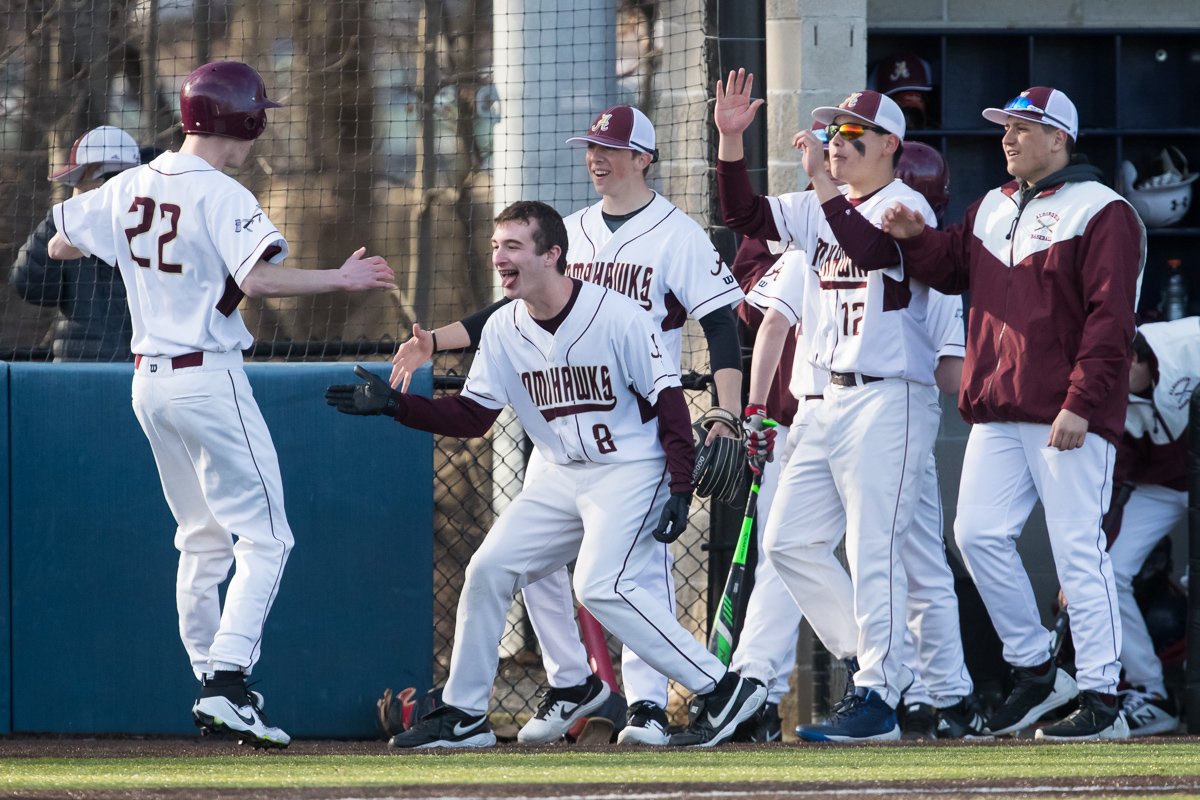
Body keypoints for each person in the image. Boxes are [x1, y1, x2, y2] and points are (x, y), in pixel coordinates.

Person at [326, 200, 766, 749]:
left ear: (553, 254)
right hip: (560, 473)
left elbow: (669, 405)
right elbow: (474, 415)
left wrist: (679, 485)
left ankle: (721, 689)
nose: (499, 258)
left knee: (600, 585)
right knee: (489, 568)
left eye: (513, 247)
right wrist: (398, 408)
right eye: (495, 247)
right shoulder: (505, 328)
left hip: (631, 468)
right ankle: (464, 715)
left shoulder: (619, 315)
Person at [47, 61, 396, 748]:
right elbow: (258, 280)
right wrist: (341, 277)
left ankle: (213, 682)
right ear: (238, 119)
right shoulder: (224, 191)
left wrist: (140, 255)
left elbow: (60, 241)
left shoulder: (129, 184)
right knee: (268, 537)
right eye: (257, 115)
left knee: (201, 540)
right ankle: (229, 682)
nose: (259, 129)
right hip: (207, 376)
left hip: (148, 381)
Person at [880, 86, 1145, 740]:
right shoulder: (992, 205)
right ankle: (1034, 667)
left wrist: (1082, 403)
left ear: (1060, 139)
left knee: (1078, 550)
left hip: (1067, 412)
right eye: (1005, 127)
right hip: (998, 408)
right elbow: (949, 268)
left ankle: (1103, 698)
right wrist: (917, 239)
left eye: (1024, 128)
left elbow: (1112, 322)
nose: (1008, 138)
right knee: (976, 535)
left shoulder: (1104, 211)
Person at [714, 68, 944, 741]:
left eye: (854, 134)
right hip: (822, 402)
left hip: (889, 398)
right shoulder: (822, 202)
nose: (837, 143)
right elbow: (744, 216)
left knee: (875, 548)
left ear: (890, 146)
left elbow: (868, 249)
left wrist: (819, 183)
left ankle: (876, 693)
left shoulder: (908, 206)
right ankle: (877, 670)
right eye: (834, 132)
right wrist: (732, 144)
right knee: (787, 544)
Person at [1106, 317, 1198, 735]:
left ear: (1137, 356)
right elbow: (1113, 480)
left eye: (1117, 365)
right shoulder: (1106, 393)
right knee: (1105, 571)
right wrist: (1085, 559)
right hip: (1160, 487)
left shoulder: (1188, 341)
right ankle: (1151, 691)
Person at [10, 125, 143, 361]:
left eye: (80, 180)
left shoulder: (154, 217)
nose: (76, 190)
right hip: (79, 363)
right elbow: (30, 284)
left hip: (144, 362)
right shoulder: (71, 224)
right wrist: (61, 218)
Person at [872, 52, 936, 131]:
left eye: (917, 96)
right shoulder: (875, 136)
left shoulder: (935, 132)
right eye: (898, 98)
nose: (909, 104)